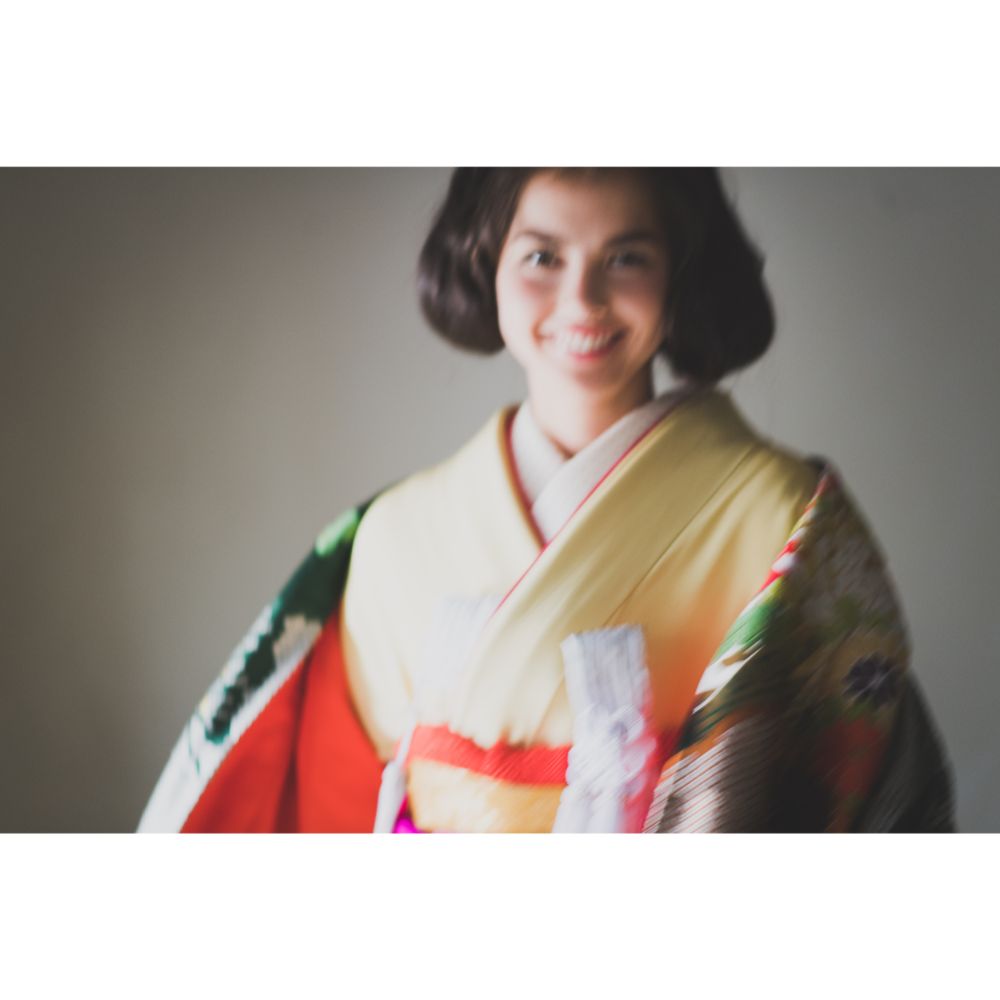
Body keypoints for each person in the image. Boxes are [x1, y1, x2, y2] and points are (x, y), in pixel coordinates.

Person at [139, 168, 954, 833]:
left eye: (627, 258)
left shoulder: (785, 519)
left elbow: (851, 798)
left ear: (679, 273)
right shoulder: (396, 534)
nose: (582, 301)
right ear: (485, 263)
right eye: (541, 257)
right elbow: (339, 816)